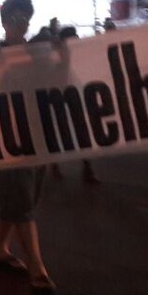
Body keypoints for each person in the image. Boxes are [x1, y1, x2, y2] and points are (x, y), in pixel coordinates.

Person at [0, 0, 56, 295]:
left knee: (23, 199)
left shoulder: (37, 54)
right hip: (7, 138)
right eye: (16, 18)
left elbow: (55, 84)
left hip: (35, 135)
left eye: (26, 17)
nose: (22, 23)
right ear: (4, 23)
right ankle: (37, 269)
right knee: (23, 202)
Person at [49, 26, 99, 184]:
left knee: (81, 132)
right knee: (60, 132)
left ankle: (86, 167)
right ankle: (56, 165)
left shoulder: (75, 56)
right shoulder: (57, 57)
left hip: (74, 96)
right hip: (61, 98)